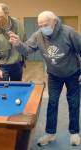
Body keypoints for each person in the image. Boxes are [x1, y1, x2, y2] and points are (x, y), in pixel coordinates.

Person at [9, 11, 81, 146]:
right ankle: (50, 133)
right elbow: (27, 50)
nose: (43, 28)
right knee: (52, 102)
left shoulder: (69, 32)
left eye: (45, 25)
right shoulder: (38, 35)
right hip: (54, 75)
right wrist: (18, 44)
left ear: (54, 21)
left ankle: (74, 132)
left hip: (72, 73)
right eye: (40, 25)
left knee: (73, 102)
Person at [0, 3, 26, 81]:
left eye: (1, 17)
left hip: (17, 65)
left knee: (17, 89)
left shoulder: (19, 25)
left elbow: (25, 44)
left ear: (7, 13)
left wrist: (23, 59)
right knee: (2, 91)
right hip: (1, 67)